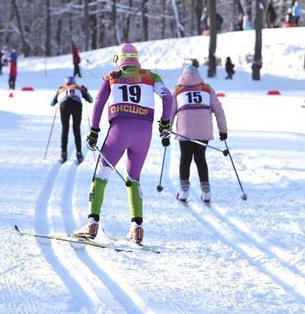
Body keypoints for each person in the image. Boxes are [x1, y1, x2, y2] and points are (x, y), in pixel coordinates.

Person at [74, 43, 173, 244]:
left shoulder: (112, 76)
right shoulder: (151, 76)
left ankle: (92, 224)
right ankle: (137, 228)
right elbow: (168, 97)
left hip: (119, 129)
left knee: (101, 175)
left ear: (118, 59)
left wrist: (94, 130)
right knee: (133, 178)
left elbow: (100, 101)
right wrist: (165, 123)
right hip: (144, 133)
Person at [171, 64, 228, 204]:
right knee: (200, 159)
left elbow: (170, 111)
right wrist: (223, 130)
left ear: (183, 76)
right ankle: (206, 192)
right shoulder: (207, 89)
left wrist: (165, 129)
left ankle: (184, 192)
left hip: (185, 129)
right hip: (204, 129)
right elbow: (219, 111)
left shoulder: (178, 90)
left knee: (185, 158)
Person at [50, 76, 93, 163]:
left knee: (65, 129)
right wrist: (85, 91)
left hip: (64, 104)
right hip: (76, 104)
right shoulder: (78, 88)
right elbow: (90, 100)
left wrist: (57, 93)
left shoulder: (61, 89)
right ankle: (79, 154)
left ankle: (63, 153)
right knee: (76, 129)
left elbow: (52, 103)